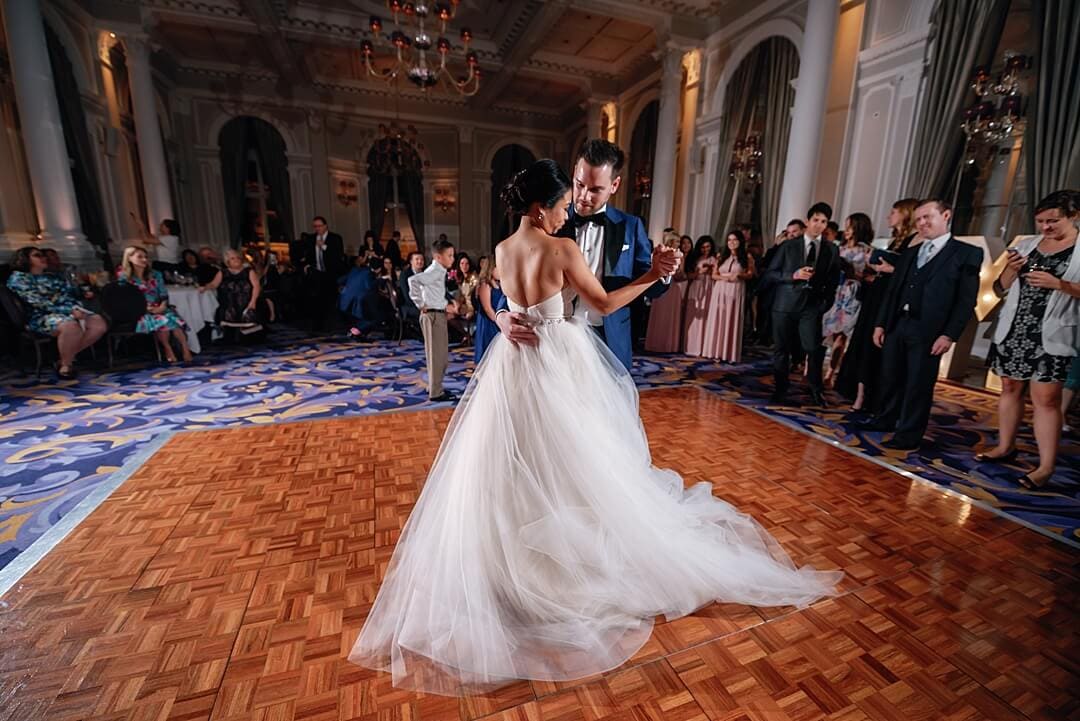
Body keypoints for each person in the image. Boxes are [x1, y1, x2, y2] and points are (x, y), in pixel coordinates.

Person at [348, 159, 840, 695]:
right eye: (562, 205)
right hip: (557, 358)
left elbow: (493, 292)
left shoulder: (504, 249)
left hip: (512, 366)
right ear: (542, 208)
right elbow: (602, 302)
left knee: (515, 462)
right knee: (576, 462)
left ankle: (509, 567)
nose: (567, 213)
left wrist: (505, 315)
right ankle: (566, 568)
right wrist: (650, 277)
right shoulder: (562, 248)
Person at [495, 139, 672, 371]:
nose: (583, 196)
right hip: (558, 346)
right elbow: (516, 280)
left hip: (610, 340)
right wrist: (501, 315)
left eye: (595, 189)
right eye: (579, 184)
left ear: (614, 185)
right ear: (574, 174)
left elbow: (648, 285)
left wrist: (661, 272)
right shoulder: (554, 215)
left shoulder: (631, 226)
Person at [975, 190, 1079, 488]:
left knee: (1046, 399)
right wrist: (1011, 269)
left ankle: (1045, 467)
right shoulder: (1026, 245)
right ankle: (1005, 446)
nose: (1045, 227)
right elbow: (999, 288)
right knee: (1009, 388)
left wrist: (1059, 284)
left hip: (1053, 333)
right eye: (1041, 221)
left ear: (1074, 216)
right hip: (1015, 329)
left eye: (1053, 221)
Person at [867, 199, 984, 450]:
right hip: (898, 324)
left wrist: (949, 335)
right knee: (890, 376)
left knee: (918, 384)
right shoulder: (910, 253)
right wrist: (881, 324)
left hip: (930, 330)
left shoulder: (967, 253)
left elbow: (966, 301)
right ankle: (885, 419)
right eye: (918, 219)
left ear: (946, 215)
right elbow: (893, 291)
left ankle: (908, 435)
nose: (921, 223)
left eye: (927, 217)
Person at [836, 198, 918, 411]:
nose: (888, 216)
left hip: (887, 299)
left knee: (873, 347)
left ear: (905, 214)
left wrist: (890, 270)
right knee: (863, 344)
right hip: (876, 294)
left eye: (893, 212)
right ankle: (860, 394)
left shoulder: (914, 241)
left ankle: (868, 397)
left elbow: (910, 273)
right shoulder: (896, 240)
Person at [767, 202, 842, 407]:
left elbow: (834, 279)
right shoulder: (788, 246)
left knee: (813, 349)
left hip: (811, 306)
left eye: (823, 222)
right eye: (816, 220)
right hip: (784, 305)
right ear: (807, 221)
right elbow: (771, 274)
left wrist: (825, 303)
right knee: (781, 349)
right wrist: (792, 275)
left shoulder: (831, 249)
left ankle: (816, 391)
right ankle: (780, 389)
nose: (819, 225)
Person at [6, 247, 107, 379]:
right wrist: (70, 311)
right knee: (70, 326)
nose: (43, 258)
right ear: (25, 259)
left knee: (99, 324)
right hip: (39, 316)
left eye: (43, 255)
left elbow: (69, 292)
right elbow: (38, 302)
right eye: (37, 255)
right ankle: (66, 365)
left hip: (68, 310)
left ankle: (61, 358)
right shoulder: (18, 279)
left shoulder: (51, 277)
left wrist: (82, 291)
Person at [822, 213, 874, 386]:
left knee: (842, 335)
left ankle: (830, 374)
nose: (846, 230)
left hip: (852, 294)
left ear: (859, 228)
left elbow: (871, 275)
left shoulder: (867, 250)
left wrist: (855, 274)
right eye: (846, 226)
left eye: (850, 227)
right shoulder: (839, 248)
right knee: (825, 331)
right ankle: (810, 369)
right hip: (835, 291)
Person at [116, 246, 193, 363]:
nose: (144, 260)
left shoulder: (155, 274)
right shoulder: (124, 277)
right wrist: (145, 308)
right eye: (140, 257)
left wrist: (162, 306)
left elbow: (163, 294)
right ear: (129, 258)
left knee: (171, 317)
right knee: (163, 320)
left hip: (158, 307)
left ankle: (185, 347)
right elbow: (125, 299)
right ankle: (167, 348)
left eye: (145, 257)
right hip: (139, 311)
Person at [409, 239, 458, 402]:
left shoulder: (439, 271)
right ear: (438, 257)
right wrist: (420, 304)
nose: (452, 259)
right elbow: (413, 280)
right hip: (432, 316)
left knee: (440, 356)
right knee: (436, 356)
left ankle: (434, 386)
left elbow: (435, 293)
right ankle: (436, 392)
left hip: (438, 314)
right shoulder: (435, 271)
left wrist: (446, 304)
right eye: (449, 255)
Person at [704, 229, 755, 362]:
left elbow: (750, 274)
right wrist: (725, 278)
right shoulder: (721, 256)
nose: (732, 242)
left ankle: (729, 353)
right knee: (718, 318)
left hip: (736, 288)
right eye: (729, 240)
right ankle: (715, 351)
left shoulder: (747, 257)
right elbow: (714, 275)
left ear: (740, 241)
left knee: (732, 318)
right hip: (720, 289)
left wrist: (739, 275)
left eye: (735, 240)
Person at [754, 219, 805, 343]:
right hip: (773, 286)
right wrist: (776, 246)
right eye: (788, 232)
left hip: (793, 289)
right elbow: (768, 265)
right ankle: (763, 336)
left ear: (803, 230)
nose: (791, 235)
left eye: (794, 231)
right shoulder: (782, 247)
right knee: (766, 310)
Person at [644, 230, 690, 353]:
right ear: (670, 241)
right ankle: (656, 344)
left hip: (672, 287)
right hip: (661, 285)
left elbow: (680, 275)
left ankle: (666, 345)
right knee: (659, 315)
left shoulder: (679, 255)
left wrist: (680, 274)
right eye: (677, 241)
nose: (679, 244)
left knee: (669, 317)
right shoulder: (662, 253)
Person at [200, 248, 267, 328]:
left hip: (246, 305)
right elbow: (214, 284)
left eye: (238, 257)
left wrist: (253, 302)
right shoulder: (223, 272)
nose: (236, 260)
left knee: (248, 330)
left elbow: (256, 286)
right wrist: (205, 287)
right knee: (230, 330)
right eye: (232, 258)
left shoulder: (249, 271)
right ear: (227, 261)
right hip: (228, 307)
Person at [300, 216, 347, 328]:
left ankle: (332, 324)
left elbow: (338, 255)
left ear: (325, 226)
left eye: (319, 226)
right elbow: (309, 255)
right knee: (317, 299)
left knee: (330, 299)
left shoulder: (335, 238)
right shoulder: (311, 239)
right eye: (315, 226)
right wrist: (307, 264)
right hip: (318, 273)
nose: (317, 228)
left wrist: (324, 246)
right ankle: (318, 325)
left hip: (331, 273)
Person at [682, 235, 717, 356]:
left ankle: (704, 347)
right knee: (693, 315)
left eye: (708, 247)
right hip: (696, 287)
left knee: (706, 316)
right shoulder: (694, 259)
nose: (705, 249)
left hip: (709, 288)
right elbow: (689, 275)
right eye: (703, 247)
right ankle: (691, 346)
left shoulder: (715, 259)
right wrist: (699, 272)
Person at [473, 258, 504, 363]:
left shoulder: (499, 284)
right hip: (489, 322)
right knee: (488, 353)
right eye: (498, 268)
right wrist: (499, 322)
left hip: (497, 319)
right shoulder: (485, 284)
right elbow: (487, 308)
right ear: (491, 269)